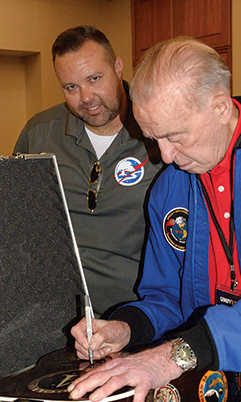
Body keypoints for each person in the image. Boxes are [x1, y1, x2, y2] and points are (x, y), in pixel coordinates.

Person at [68, 37, 241, 402]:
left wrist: (174, 355)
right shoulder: (171, 187)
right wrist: (127, 328)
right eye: (152, 138)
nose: (165, 156)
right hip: (222, 377)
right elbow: (166, 295)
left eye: (175, 136)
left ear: (220, 107)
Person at [13, 26, 162, 317]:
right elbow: (18, 225)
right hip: (55, 316)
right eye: (71, 87)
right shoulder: (39, 134)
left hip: (139, 315)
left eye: (95, 79)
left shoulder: (160, 131)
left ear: (117, 68)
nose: (86, 97)